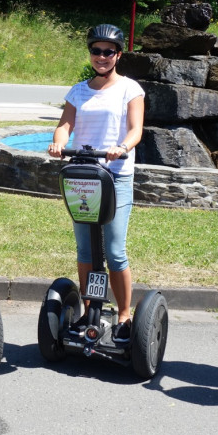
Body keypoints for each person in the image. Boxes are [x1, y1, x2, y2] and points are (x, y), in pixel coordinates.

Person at [47, 24, 145, 343]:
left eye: (108, 52)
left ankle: (124, 315)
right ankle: (90, 309)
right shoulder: (78, 90)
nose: (101, 57)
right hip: (83, 177)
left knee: (115, 250)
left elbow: (135, 129)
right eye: (96, 51)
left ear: (118, 54)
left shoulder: (131, 89)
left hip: (115, 175)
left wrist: (123, 147)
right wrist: (58, 142)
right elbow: (65, 126)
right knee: (86, 249)